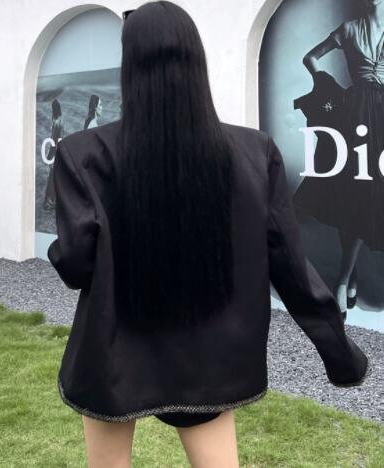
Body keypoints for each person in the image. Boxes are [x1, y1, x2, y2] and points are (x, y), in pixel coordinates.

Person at [47, 2, 370, 466]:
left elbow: (75, 266)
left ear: (130, 63)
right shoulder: (254, 152)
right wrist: (340, 355)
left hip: (112, 351)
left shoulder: (83, 154)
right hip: (207, 358)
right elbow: (291, 266)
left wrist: (64, 248)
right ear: (196, 60)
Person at [301, 0, 384, 318]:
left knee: (370, 192)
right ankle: (345, 278)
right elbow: (310, 57)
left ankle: (347, 276)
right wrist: (323, 82)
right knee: (353, 191)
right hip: (356, 113)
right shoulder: (349, 29)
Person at [43, 98, 64, 209]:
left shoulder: (56, 122)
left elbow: (53, 140)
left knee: (52, 178)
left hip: (55, 152)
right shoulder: (60, 120)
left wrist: (49, 156)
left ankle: (49, 202)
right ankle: (52, 201)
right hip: (57, 151)